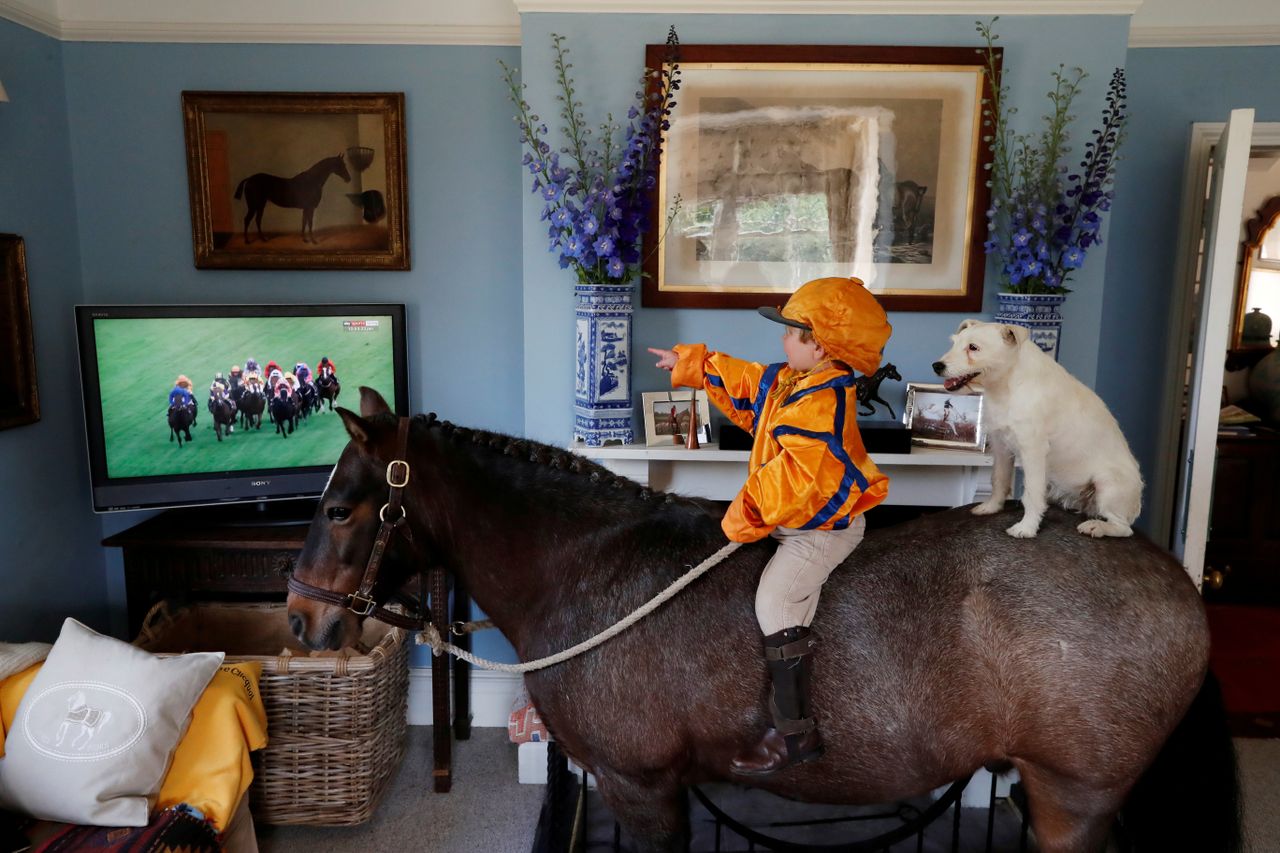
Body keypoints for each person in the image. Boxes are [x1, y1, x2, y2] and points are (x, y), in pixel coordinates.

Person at [648, 276, 892, 776]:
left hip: (820, 530)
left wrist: (741, 517)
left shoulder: (824, 401)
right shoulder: (796, 380)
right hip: (794, 522)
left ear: (819, 344)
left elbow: (794, 477)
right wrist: (692, 364)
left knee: (774, 602)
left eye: (789, 331)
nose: (781, 340)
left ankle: (793, 736)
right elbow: (751, 382)